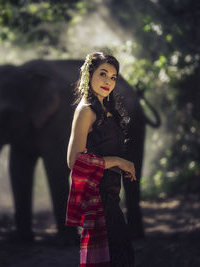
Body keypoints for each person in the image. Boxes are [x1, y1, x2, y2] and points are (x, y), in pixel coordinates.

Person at [66, 52, 136, 267]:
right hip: (98, 199)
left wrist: (120, 165)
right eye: (103, 74)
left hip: (111, 197)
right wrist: (118, 161)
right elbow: (73, 161)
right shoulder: (86, 110)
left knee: (122, 256)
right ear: (89, 74)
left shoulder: (108, 111)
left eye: (113, 77)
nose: (108, 81)